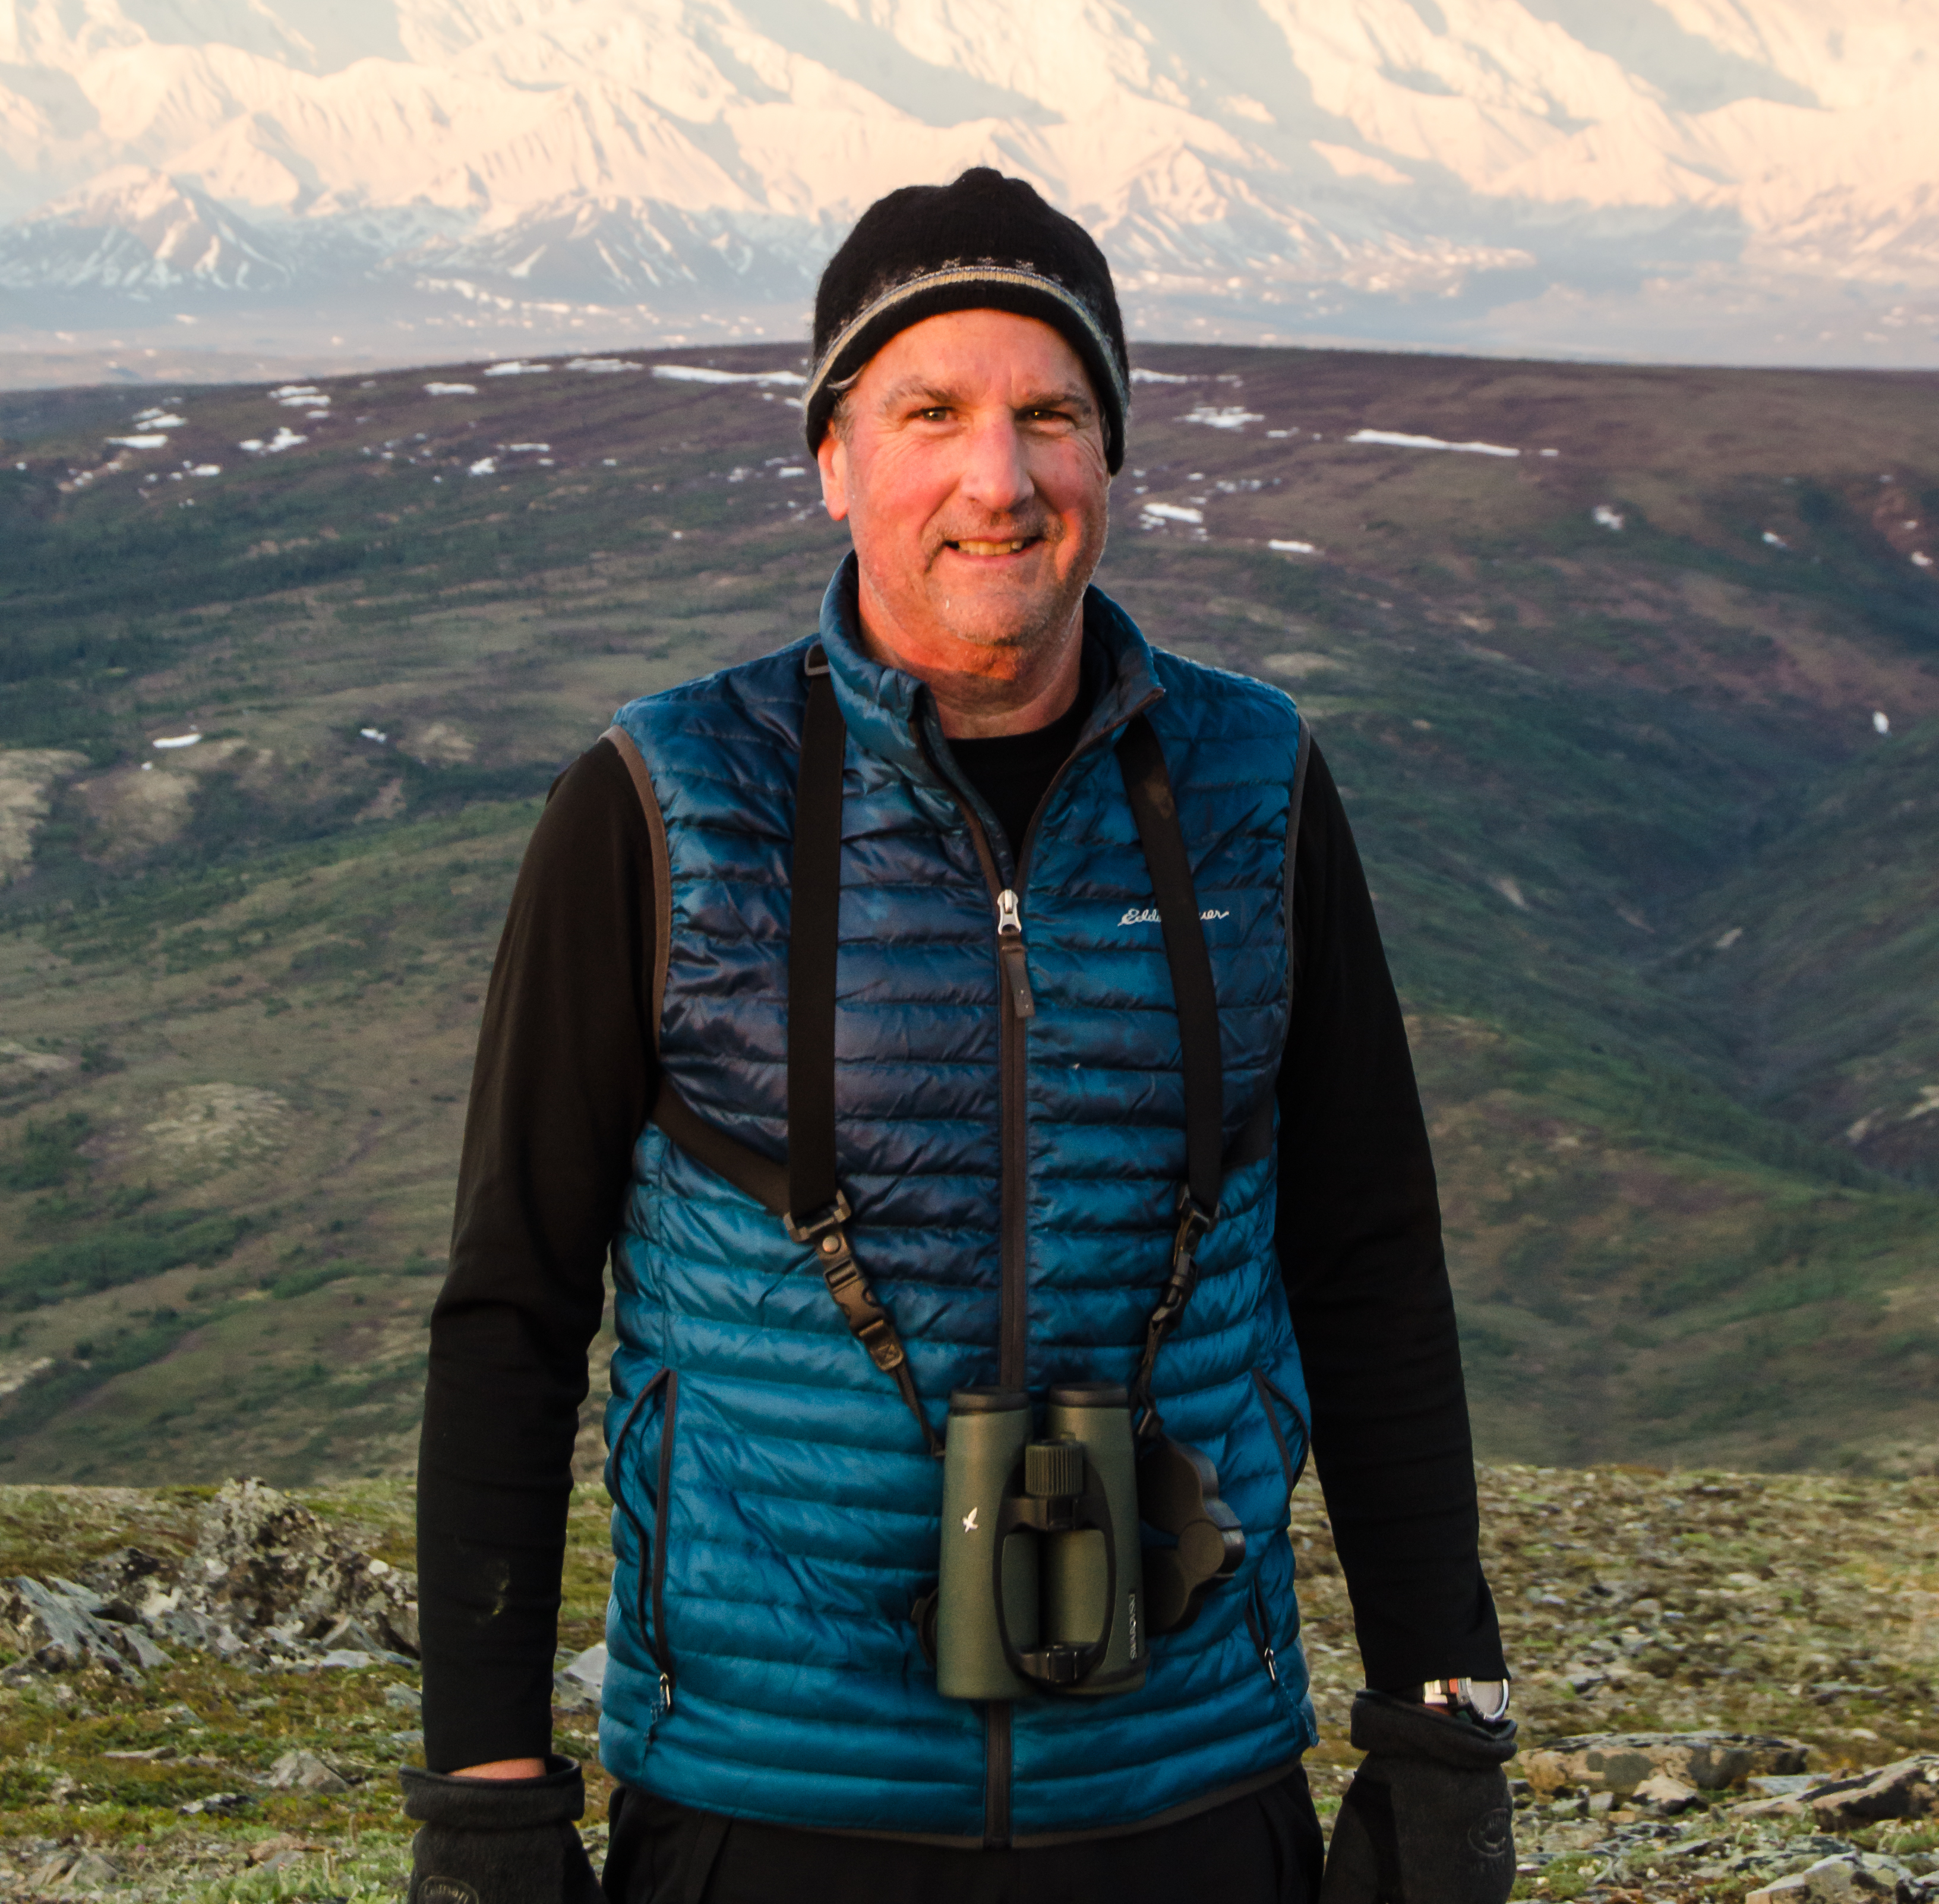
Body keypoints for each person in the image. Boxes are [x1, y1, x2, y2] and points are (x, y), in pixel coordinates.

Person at [403, 169, 1515, 1904]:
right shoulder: (663, 804)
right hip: (769, 1817)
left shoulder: (1255, 784)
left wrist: (1445, 1729)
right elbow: (512, 1313)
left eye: (1050, 416)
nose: (998, 479)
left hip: (1189, 1802)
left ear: (1110, 459)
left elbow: (1367, 1268)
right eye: (932, 412)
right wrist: (486, 1800)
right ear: (836, 458)